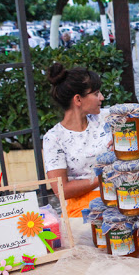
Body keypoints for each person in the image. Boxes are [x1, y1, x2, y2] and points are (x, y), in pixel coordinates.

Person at [43, 63, 109, 218]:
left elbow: (134, 117)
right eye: (96, 93)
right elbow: (62, 190)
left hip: (119, 199)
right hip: (83, 211)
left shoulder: (107, 119)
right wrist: (102, 177)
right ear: (78, 99)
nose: (102, 98)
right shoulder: (54, 138)